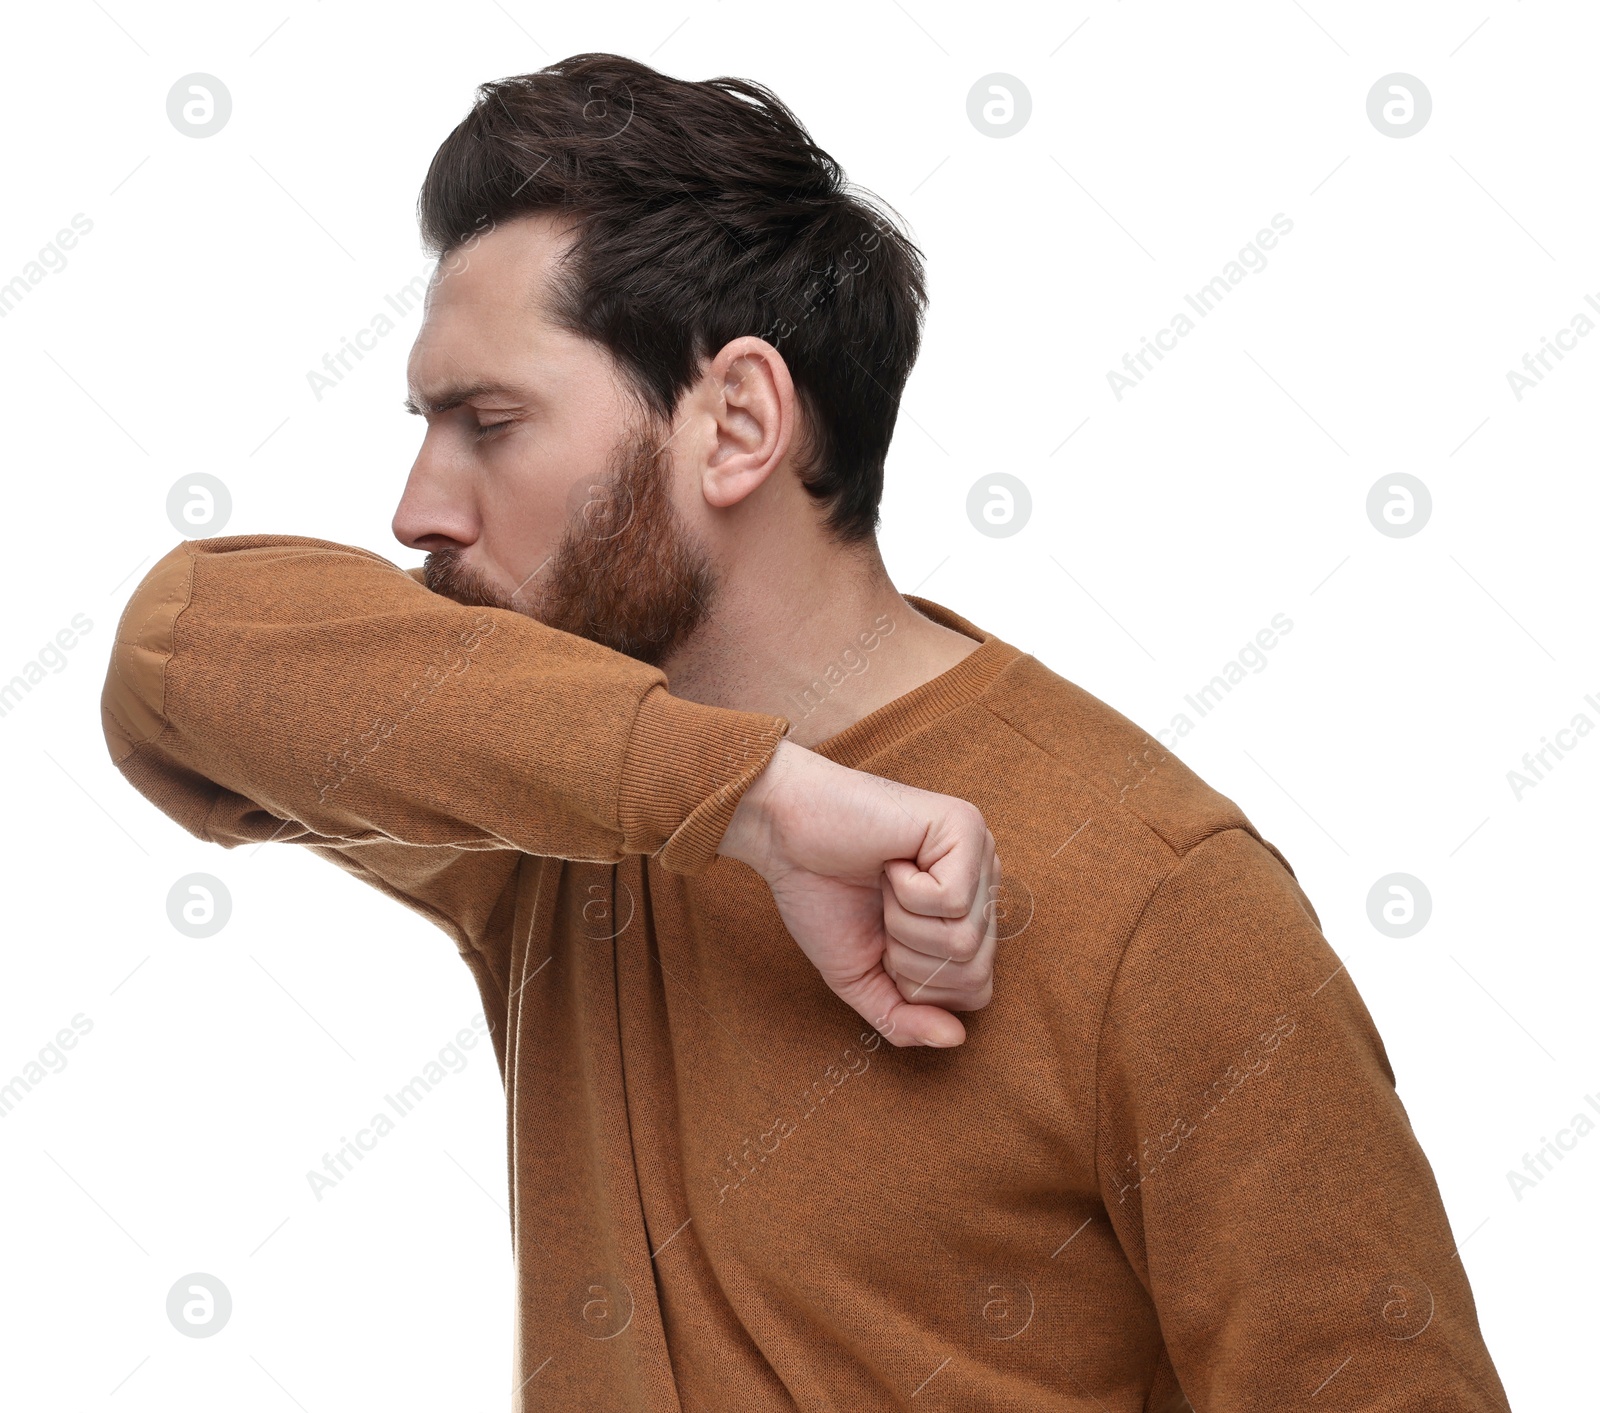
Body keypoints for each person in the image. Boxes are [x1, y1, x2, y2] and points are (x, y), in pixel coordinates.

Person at [101, 53, 1509, 1411]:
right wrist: (757, 800)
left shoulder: (1164, 896)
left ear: (738, 423)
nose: (418, 505)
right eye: (425, 424)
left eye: (488, 422)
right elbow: (179, 656)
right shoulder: (556, 803)